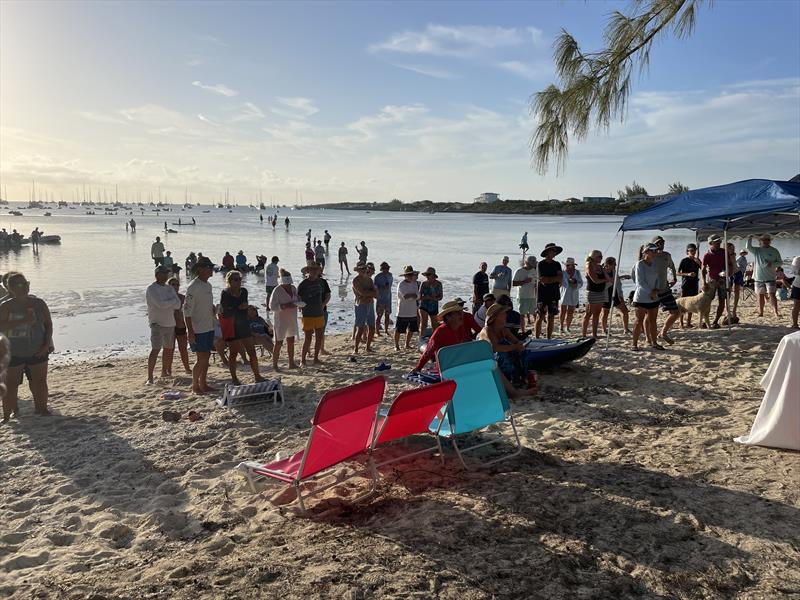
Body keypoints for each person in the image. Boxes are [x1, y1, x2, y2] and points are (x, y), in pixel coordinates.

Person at [0, 272, 54, 421]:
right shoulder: (6, 306)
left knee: (40, 381)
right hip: (13, 351)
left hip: (38, 348)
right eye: (20, 285)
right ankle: (7, 415)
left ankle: (42, 409)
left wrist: (47, 343)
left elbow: (48, 324)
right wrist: (23, 320)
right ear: (10, 288)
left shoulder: (39, 303)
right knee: (11, 384)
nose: (25, 287)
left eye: (26, 284)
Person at [479, 304, 537, 398]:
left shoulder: (503, 329)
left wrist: (519, 345)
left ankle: (520, 380)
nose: (506, 315)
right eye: (503, 313)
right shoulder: (487, 330)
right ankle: (512, 386)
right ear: (496, 317)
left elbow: (516, 341)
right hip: (486, 361)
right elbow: (495, 348)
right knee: (503, 353)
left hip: (496, 359)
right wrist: (515, 347)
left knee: (523, 353)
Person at [220, 270, 264, 385]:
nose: (239, 281)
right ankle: (234, 378)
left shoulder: (244, 291)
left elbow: (244, 305)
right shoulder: (225, 293)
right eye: (236, 279)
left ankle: (257, 375)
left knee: (252, 352)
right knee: (233, 353)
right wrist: (239, 307)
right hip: (232, 325)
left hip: (244, 323)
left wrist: (244, 307)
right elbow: (225, 311)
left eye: (240, 279)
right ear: (229, 281)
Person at [184, 256, 216, 394]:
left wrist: (214, 310)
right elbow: (186, 311)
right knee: (201, 358)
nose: (211, 270)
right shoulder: (193, 287)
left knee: (206, 356)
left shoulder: (208, 285)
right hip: (198, 329)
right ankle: (194, 385)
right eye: (209, 268)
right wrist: (190, 331)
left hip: (208, 326)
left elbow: (204, 306)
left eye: (211, 267)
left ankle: (203, 383)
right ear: (201, 269)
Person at [145, 265, 181, 384]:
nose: (166, 275)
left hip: (170, 322)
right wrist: (171, 302)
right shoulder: (151, 289)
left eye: (167, 273)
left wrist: (169, 302)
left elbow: (178, 305)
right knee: (155, 349)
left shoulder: (169, 288)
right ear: (157, 275)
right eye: (163, 273)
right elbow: (160, 304)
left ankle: (164, 372)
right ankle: (150, 377)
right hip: (157, 323)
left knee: (168, 349)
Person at [412, 300, 470, 373]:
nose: (461, 315)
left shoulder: (460, 328)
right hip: (445, 368)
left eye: (461, 312)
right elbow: (429, 351)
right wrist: (418, 368)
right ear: (449, 317)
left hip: (457, 364)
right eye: (458, 313)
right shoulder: (441, 331)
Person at [297, 261, 331, 366]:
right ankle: (302, 360)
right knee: (308, 338)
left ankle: (316, 358)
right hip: (308, 314)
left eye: (316, 269)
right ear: (308, 271)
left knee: (319, 336)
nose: (314, 271)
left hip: (319, 312)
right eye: (312, 269)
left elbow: (328, 295)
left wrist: (323, 304)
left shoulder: (322, 282)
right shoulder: (303, 284)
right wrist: (300, 306)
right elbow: (298, 297)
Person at [632, 244, 663, 351]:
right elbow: (639, 282)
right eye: (653, 251)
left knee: (653, 320)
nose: (655, 253)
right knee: (639, 320)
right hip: (641, 297)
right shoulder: (639, 264)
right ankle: (634, 344)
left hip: (654, 297)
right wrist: (651, 292)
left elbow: (658, 279)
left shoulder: (654, 264)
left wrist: (656, 290)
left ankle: (654, 342)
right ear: (646, 252)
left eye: (656, 251)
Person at [651, 236, 680, 344]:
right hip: (652, 290)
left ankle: (663, 333)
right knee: (650, 315)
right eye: (658, 243)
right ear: (653, 244)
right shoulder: (650, 257)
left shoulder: (666, 255)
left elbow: (672, 266)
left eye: (662, 242)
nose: (660, 245)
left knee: (675, 312)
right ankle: (648, 338)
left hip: (665, 288)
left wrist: (674, 278)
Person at [269, 269, 300, 370]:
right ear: (282, 281)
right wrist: (285, 306)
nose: (288, 285)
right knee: (279, 342)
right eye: (286, 283)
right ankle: (275, 365)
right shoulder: (277, 290)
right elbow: (272, 306)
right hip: (280, 320)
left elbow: (296, 300)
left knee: (291, 340)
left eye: (289, 283)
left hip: (292, 318)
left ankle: (291, 363)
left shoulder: (293, 288)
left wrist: (299, 303)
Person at [746, 233, 782, 318]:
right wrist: (750, 236)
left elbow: (780, 262)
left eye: (768, 240)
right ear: (760, 241)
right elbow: (748, 247)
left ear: (770, 241)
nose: (766, 241)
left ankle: (775, 312)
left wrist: (772, 264)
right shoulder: (757, 250)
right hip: (758, 277)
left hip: (770, 277)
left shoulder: (774, 250)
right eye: (764, 240)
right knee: (760, 295)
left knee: (772, 294)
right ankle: (761, 312)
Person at [701, 234, 729, 329]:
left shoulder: (724, 252)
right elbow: (703, 270)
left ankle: (716, 321)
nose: (718, 243)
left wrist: (728, 273)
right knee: (706, 301)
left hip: (722, 279)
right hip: (711, 280)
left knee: (722, 300)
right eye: (716, 242)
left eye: (719, 242)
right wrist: (704, 282)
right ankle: (706, 321)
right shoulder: (707, 255)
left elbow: (730, 264)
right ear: (710, 243)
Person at [537, 243, 563, 339]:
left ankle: (549, 338)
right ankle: (537, 337)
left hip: (554, 293)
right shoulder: (541, 264)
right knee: (540, 316)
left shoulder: (557, 264)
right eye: (552, 250)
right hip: (543, 293)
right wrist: (554, 279)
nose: (554, 253)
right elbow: (543, 279)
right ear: (547, 251)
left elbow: (560, 278)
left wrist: (551, 279)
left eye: (555, 251)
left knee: (551, 316)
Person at [582, 250, 609, 339]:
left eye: (601, 256)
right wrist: (605, 280)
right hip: (592, 292)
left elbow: (608, 278)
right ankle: (584, 334)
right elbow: (595, 280)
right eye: (599, 256)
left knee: (597, 314)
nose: (601, 258)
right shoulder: (589, 265)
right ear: (594, 257)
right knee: (588, 313)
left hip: (600, 292)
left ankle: (594, 334)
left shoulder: (600, 267)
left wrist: (607, 271)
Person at [168, 277, 192, 375]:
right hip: (169, 326)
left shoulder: (182, 298)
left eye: (177, 284)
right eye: (173, 284)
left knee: (183, 349)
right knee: (170, 349)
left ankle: (187, 368)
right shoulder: (166, 298)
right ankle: (168, 369)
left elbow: (188, 312)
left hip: (181, 326)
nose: (175, 286)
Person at [600, 257, 630, 335]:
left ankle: (626, 329)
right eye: (614, 263)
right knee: (605, 313)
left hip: (616, 294)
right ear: (608, 264)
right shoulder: (602, 272)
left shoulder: (614, 271)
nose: (616, 265)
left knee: (625, 311)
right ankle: (604, 330)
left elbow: (617, 283)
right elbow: (605, 282)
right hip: (606, 295)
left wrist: (621, 296)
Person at [352, 263, 377, 353]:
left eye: (364, 268)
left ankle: (368, 347)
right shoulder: (356, 280)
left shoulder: (369, 280)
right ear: (358, 270)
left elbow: (375, 293)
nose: (364, 270)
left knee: (372, 327)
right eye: (361, 269)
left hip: (370, 303)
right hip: (360, 305)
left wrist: (369, 294)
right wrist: (370, 294)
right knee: (360, 328)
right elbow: (362, 292)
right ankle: (356, 348)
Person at [395, 265, 420, 350]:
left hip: (412, 310)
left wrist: (413, 295)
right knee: (399, 330)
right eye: (408, 275)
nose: (410, 276)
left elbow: (418, 296)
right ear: (405, 275)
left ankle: (407, 344)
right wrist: (413, 295)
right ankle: (396, 345)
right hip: (402, 311)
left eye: (411, 274)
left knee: (411, 329)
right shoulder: (401, 284)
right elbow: (405, 296)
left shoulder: (414, 283)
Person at [677, 243, 702, 328]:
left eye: (694, 250)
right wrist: (687, 274)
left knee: (692, 303)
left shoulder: (697, 260)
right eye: (691, 251)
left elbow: (704, 270)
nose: (693, 252)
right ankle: (681, 323)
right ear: (687, 252)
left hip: (694, 284)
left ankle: (688, 322)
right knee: (682, 304)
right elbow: (677, 273)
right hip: (685, 284)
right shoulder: (684, 261)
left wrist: (700, 263)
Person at [559, 257, 583, 333]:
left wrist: (575, 282)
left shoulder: (577, 272)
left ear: (572, 265)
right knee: (562, 310)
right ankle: (561, 326)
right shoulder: (562, 272)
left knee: (571, 311)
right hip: (564, 294)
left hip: (574, 293)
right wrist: (568, 281)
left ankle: (568, 327)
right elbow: (560, 283)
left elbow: (581, 283)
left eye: (569, 265)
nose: (567, 266)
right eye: (566, 265)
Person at [513, 255, 538, 327]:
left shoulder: (534, 271)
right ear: (526, 263)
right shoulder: (519, 271)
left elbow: (536, 282)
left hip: (532, 296)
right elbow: (513, 283)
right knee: (522, 315)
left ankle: (536, 328)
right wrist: (524, 281)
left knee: (535, 314)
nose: (532, 266)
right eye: (531, 264)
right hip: (522, 296)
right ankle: (523, 330)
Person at [418, 267, 443, 334]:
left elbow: (441, 297)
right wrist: (426, 297)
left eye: (429, 274)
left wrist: (435, 298)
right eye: (426, 275)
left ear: (433, 275)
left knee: (434, 325)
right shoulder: (423, 284)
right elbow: (418, 297)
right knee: (424, 324)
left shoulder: (439, 284)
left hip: (434, 306)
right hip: (424, 305)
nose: (427, 276)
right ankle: (421, 338)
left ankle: (434, 339)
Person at [374, 262, 394, 335]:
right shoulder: (377, 277)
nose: (386, 270)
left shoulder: (390, 275)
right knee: (379, 315)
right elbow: (375, 287)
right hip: (380, 299)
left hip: (388, 298)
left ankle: (386, 330)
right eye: (385, 268)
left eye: (387, 268)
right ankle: (377, 331)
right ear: (382, 269)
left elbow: (390, 285)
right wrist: (382, 287)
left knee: (387, 315)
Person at [727, 242, 744, 322]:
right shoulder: (724, 255)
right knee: (728, 293)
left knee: (736, 291)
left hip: (736, 272)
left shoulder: (733, 254)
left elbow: (734, 264)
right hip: (729, 273)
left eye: (732, 248)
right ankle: (728, 311)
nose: (731, 249)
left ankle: (734, 310)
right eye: (730, 248)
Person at [790, 255, 800, 329]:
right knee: (796, 305)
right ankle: (795, 324)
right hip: (798, 285)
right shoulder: (797, 259)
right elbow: (795, 272)